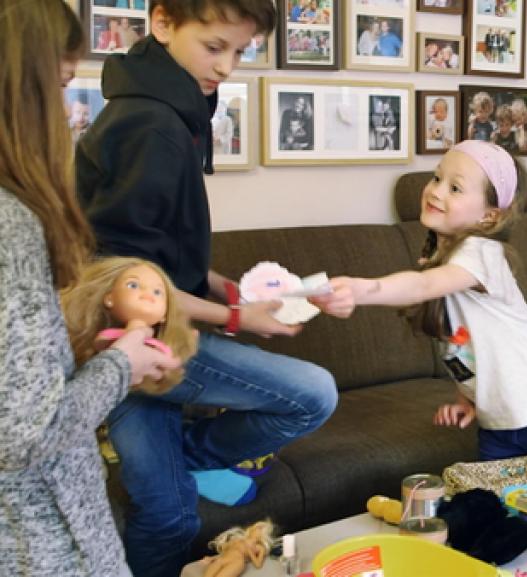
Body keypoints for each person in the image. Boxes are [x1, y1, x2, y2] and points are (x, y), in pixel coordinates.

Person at [74, 2, 338, 575]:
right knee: (313, 393)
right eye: (215, 47)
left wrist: (223, 288)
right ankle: (188, 454)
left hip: (142, 333)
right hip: (135, 337)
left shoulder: (168, 105)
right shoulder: (153, 124)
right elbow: (123, 275)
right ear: (163, 22)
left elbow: (162, 248)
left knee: (170, 514)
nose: (227, 67)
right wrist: (239, 320)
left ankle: (177, 457)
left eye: (240, 52)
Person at [0, 1, 178, 575]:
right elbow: (27, 434)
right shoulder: (12, 225)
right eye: (56, 86)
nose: (68, 114)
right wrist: (121, 364)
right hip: (41, 539)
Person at [313, 141, 527, 472]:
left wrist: (363, 289)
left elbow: (421, 287)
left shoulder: (483, 252)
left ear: (489, 216)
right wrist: (469, 398)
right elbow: (464, 343)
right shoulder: (438, 260)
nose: (436, 191)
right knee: (497, 516)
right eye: (436, 178)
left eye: (455, 187)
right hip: (500, 425)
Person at [61, 257, 199, 395]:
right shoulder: (110, 336)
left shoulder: (159, 344)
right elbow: (101, 344)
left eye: (157, 292)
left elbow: (169, 362)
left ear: (165, 314)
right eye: (133, 285)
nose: (147, 294)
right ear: (109, 298)